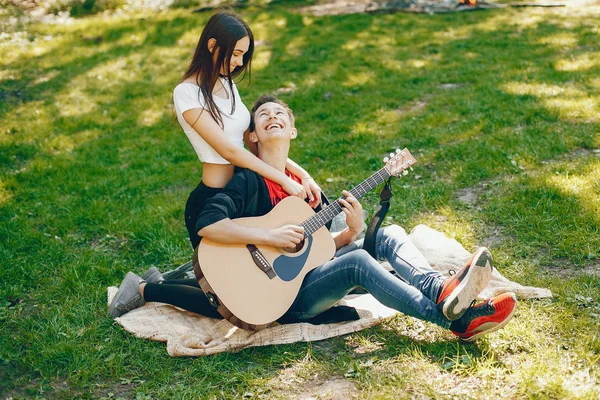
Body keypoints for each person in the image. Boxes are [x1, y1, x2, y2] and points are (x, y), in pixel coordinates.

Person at [110, 95, 517, 342]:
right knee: (359, 263)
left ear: (293, 131)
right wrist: (269, 233)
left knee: (387, 233)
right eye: (262, 115)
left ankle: (443, 291)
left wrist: (351, 232)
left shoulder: (306, 190)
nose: (272, 118)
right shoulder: (246, 182)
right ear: (251, 136)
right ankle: (456, 320)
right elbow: (207, 225)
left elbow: (315, 251)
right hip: (282, 299)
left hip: (304, 278)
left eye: (280, 115)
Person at [173, 11, 321, 249]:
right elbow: (229, 151)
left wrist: (302, 175)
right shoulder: (186, 93)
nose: (240, 63)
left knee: (263, 272)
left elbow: (254, 145)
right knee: (221, 284)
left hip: (246, 193)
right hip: (214, 200)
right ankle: (145, 288)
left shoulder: (227, 83)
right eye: (236, 54)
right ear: (212, 45)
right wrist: (283, 179)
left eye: (243, 55)